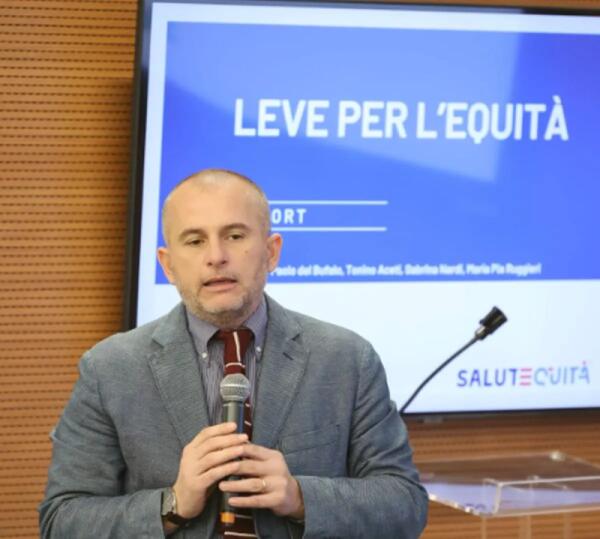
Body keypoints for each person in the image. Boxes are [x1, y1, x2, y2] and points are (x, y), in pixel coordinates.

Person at [39, 169, 428, 538]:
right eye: (195, 241)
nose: (216, 256)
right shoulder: (109, 369)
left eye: (235, 235)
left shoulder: (346, 360)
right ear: (168, 265)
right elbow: (61, 521)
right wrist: (172, 504)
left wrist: (300, 497)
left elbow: (405, 504)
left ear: (271, 252)